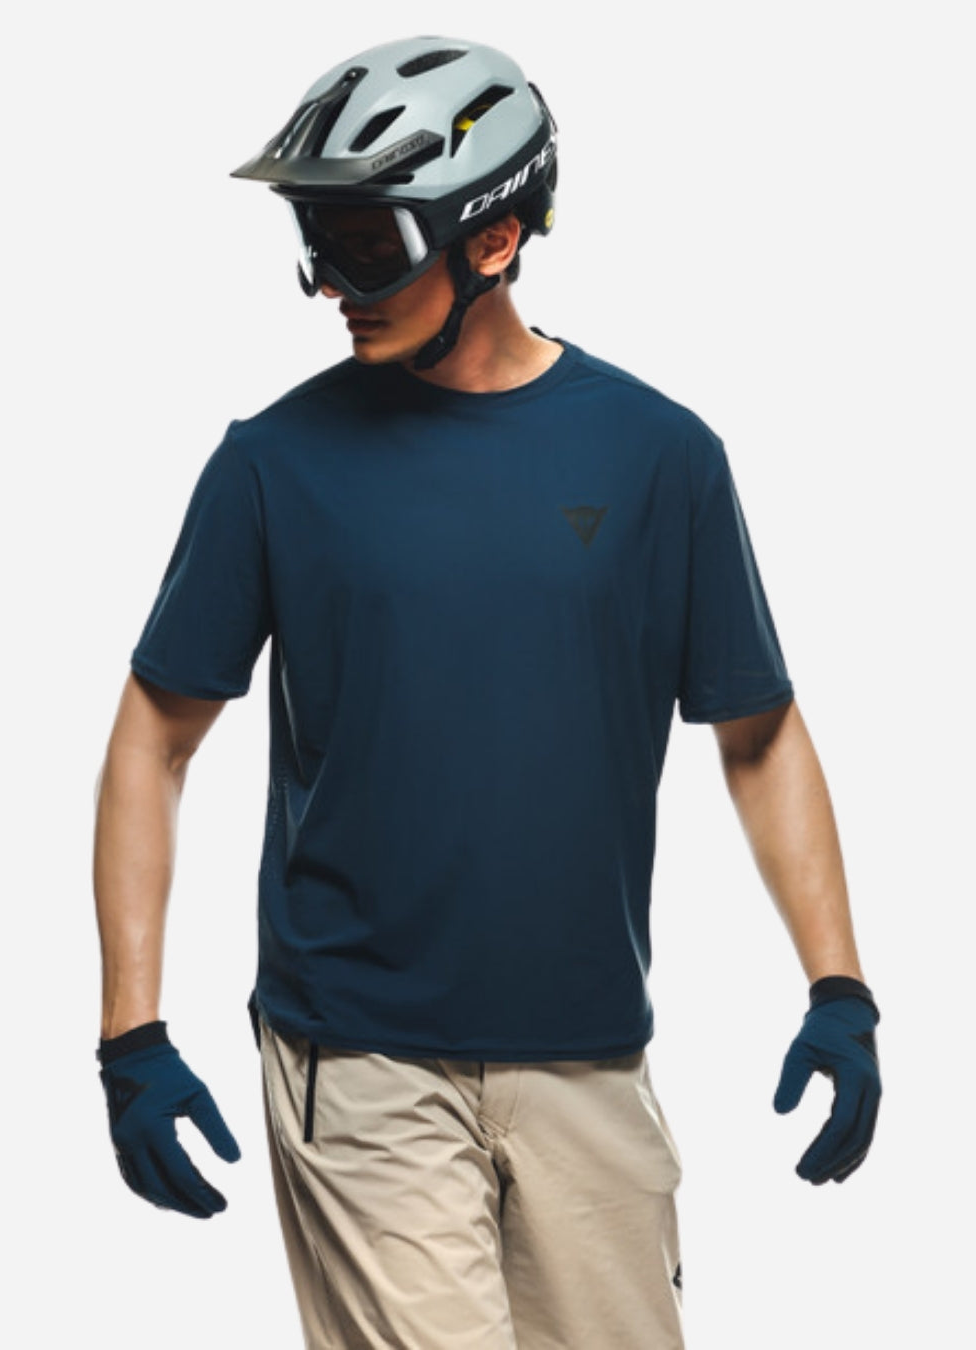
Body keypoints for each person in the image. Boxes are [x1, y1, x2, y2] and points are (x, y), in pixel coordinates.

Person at [93, 34, 882, 1350]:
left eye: (365, 243)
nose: (328, 283)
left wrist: (838, 989)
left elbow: (759, 732)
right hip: (359, 1067)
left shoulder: (662, 457)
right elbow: (153, 739)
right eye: (315, 238)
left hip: (592, 1065)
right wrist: (131, 1034)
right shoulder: (271, 466)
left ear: (497, 241)